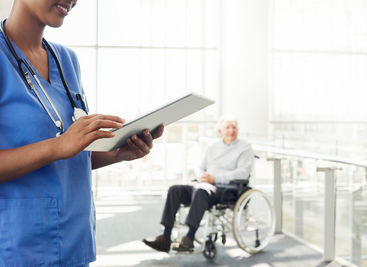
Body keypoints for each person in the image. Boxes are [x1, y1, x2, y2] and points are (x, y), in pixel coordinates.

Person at [0, 0, 163, 266]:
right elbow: (61, 146)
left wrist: (117, 153)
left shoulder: (66, 60)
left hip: (75, 241)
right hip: (17, 247)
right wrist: (58, 145)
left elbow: (71, 155)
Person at [143, 116, 254, 253]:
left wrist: (215, 178)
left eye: (234, 127)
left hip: (227, 189)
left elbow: (242, 173)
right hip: (205, 185)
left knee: (201, 191)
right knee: (175, 190)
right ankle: (165, 237)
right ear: (220, 131)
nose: (231, 130)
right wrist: (203, 176)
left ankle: (189, 238)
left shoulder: (244, 147)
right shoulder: (213, 146)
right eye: (227, 127)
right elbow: (202, 168)